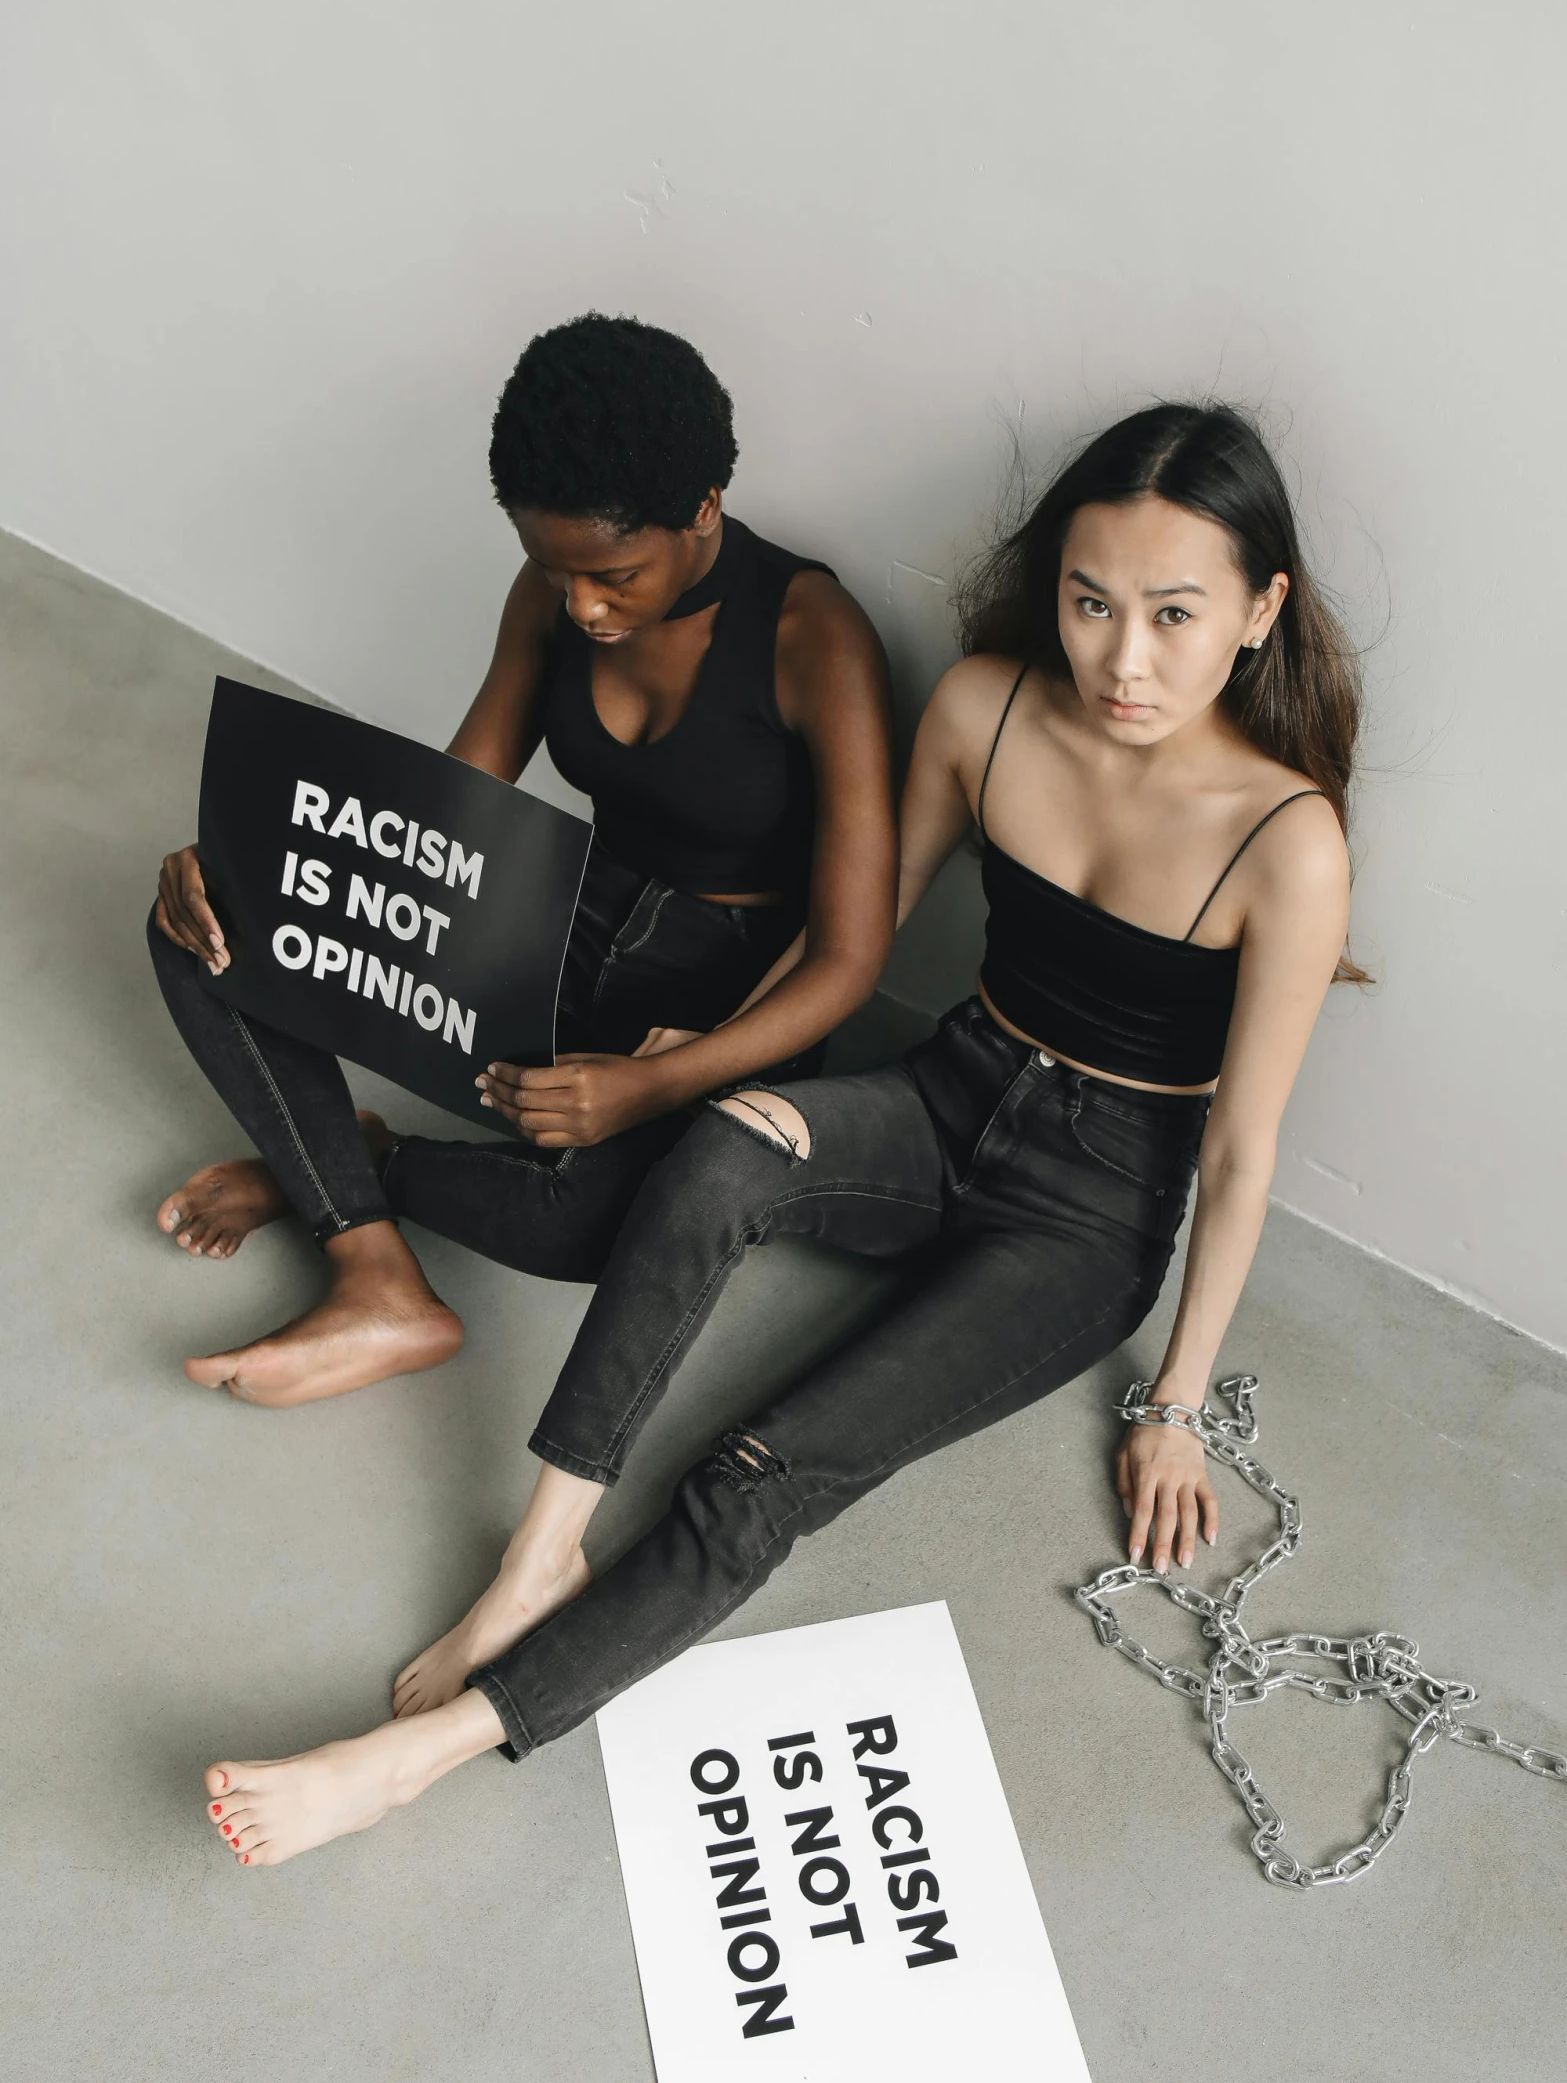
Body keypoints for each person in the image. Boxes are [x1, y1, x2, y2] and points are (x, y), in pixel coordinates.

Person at [198, 402, 1363, 1869]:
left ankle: (411, 1759)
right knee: (723, 1148)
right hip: (943, 1091)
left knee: (766, 1470)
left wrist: (1175, 1400)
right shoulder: (983, 708)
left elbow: (1241, 1150)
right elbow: (846, 934)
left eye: (1174, 614)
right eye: (1088, 601)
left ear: (1259, 610)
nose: (1121, 658)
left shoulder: (1286, 839)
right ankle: (540, 1547)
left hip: (1087, 1209)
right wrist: (709, 1060)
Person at [150, 313, 895, 1409]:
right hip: (566, 912)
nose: (584, 605)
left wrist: (657, 1082)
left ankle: (351, 1160)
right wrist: (247, 862)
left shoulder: (813, 637)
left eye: (615, 575)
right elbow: (448, 815)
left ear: (702, 510)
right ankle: (370, 1263)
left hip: (726, 994)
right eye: (554, 571)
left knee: (595, 1225)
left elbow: (847, 959)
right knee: (200, 926)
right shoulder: (551, 601)